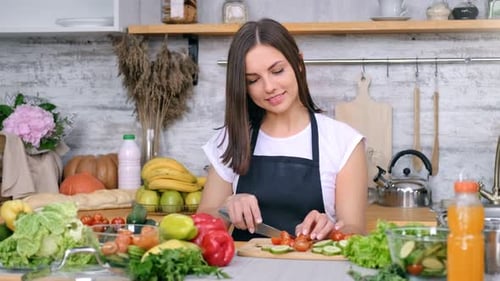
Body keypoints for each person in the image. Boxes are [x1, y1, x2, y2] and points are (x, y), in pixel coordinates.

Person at [197, 18, 368, 241]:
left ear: (298, 64)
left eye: (277, 71)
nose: (269, 87)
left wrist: (332, 229)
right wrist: (225, 207)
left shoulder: (343, 142)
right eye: (253, 80)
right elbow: (201, 224)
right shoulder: (232, 139)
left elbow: (355, 230)